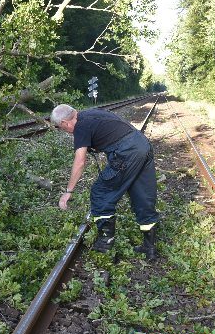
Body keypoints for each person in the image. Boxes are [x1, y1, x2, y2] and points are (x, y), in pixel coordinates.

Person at [50, 104, 159, 258]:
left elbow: (80, 161)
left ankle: (105, 243)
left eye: (61, 128)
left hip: (127, 152)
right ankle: (150, 248)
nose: (65, 131)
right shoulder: (91, 112)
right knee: (142, 194)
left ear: (64, 123)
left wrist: (69, 191)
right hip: (142, 144)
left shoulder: (80, 126)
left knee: (100, 192)